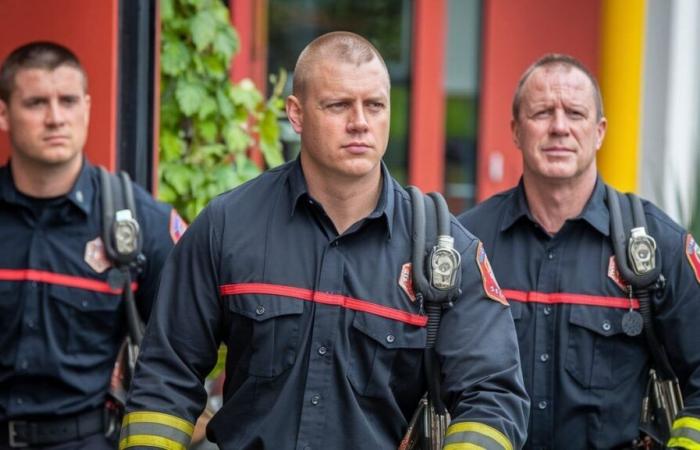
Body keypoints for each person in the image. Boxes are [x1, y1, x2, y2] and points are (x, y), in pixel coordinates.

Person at [119, 31, 529, 450]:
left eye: (375, 105)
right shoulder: (227, 227)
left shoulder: (444, 254)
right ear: (295, 115)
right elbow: (165, 378)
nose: (360, 123)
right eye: (338, 105)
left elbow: (493, 396)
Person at [459, 53, 700, 449]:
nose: (559, 128)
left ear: (599, 131)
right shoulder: (470, 244)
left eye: (575, 113)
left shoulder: (659, 247)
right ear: (516, 130)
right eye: (541, 113)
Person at [0, 42, 181, 449]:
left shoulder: (142, 224)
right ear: (3, 113)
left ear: (86, 107)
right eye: (35, 103)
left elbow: (187, 352)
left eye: (67, 101)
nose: (55, 118)